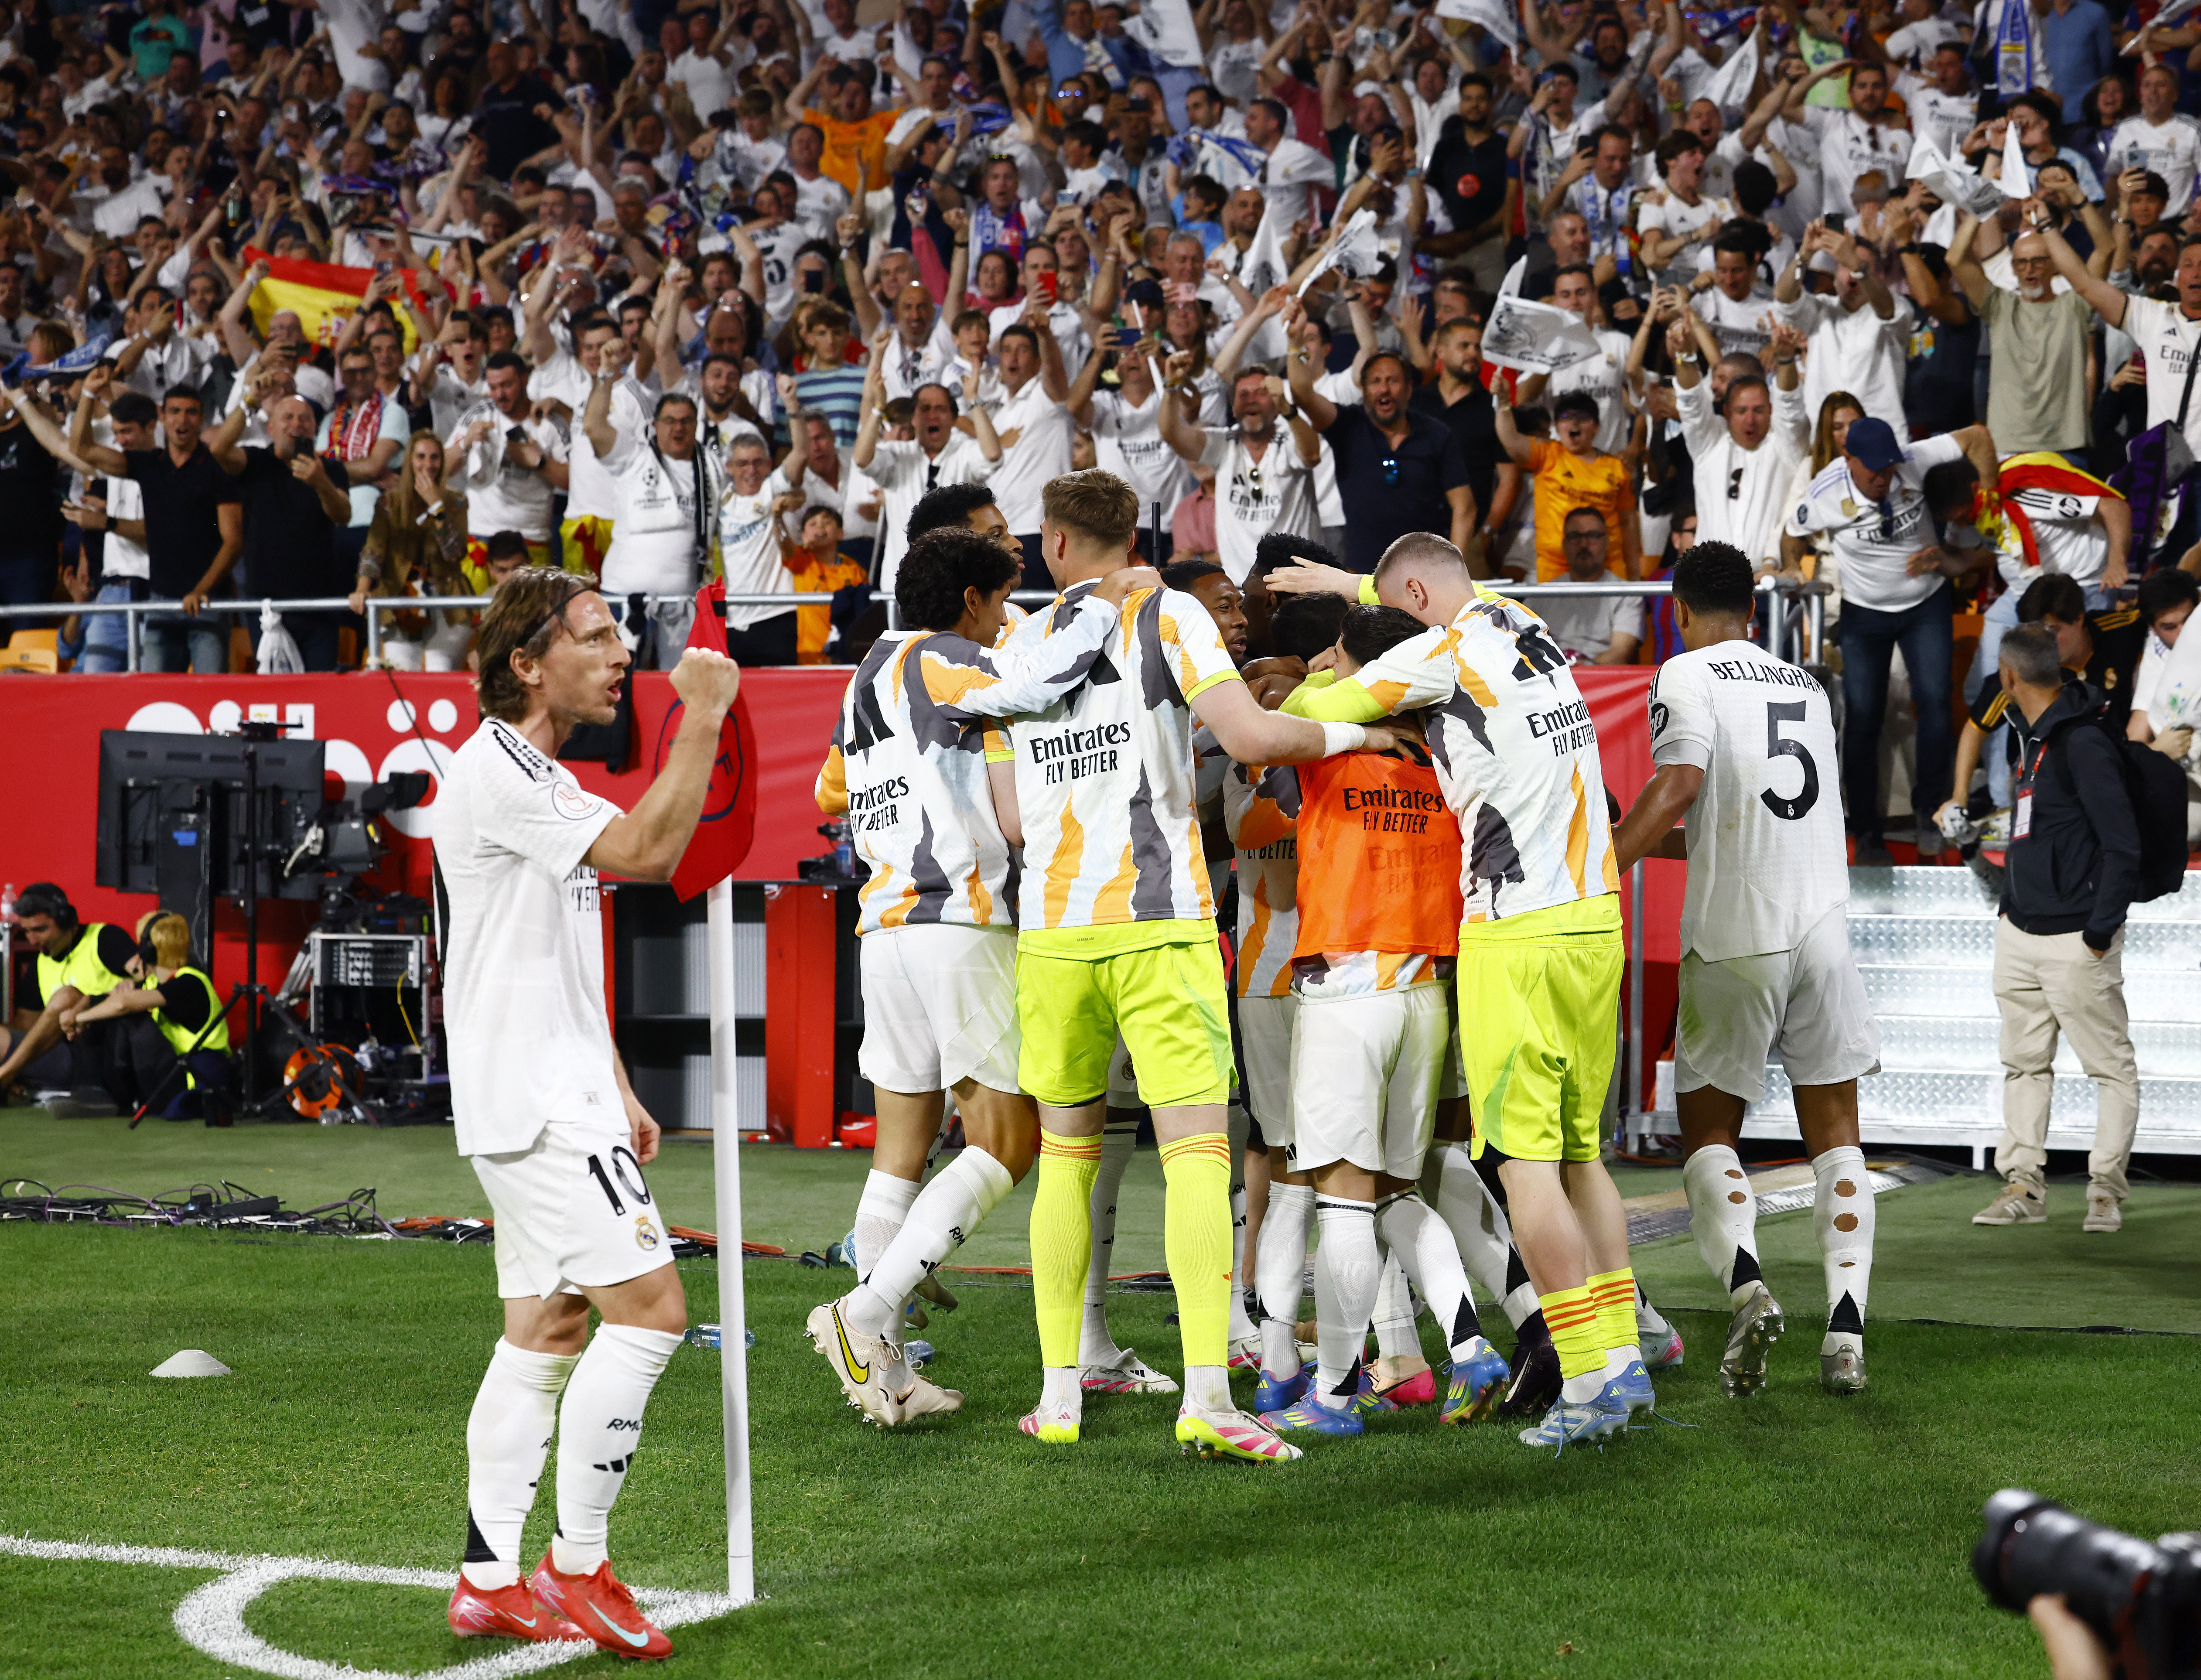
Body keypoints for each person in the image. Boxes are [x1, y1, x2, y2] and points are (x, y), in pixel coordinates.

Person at [996, 468, 1400, 1461]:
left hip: (1051, 929)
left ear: (1052, 545)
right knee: (1193, 1157)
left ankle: (1056, 1397)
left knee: (1065, 1155)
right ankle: (1209, 1398)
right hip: (1156, 922)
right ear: (1129, 537)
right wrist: (1363, 731)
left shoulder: (1016, 640)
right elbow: (1253, 737)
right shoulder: (1166, 613)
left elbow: (1008, 822)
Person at [431, 566, 742, 1660]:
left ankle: (485, 1578)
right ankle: (578, 1567)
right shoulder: (503, 773)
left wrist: (613, 1079)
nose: (621, 656)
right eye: (597, 638)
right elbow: (650, 853)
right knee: (651, 1312)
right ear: (527, 663)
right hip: (535, 1102)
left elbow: (555, 950)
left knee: (547, 1327)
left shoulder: (532, 773)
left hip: (553, 1092)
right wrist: (699, 715)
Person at [1284, 533, 1650, 1451]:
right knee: (1578, 1156)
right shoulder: (1522, 622)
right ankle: (1624, 1359)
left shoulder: (1436, 655)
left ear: (1414, 599)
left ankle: (1593, 1384)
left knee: (1523, 1166)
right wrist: (1350, 580)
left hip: (1516, 932)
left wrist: (1332, 686)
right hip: (1597, 917)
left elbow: (1310, 708)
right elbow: (1425, 582)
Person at [804, 525, 1156, 1426]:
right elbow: (1037, 684)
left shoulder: (866, 670)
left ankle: (884, 1380)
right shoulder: (940, 657)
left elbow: (835, 789)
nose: (1007, 622)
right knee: (1008, 1142)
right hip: (953, 918)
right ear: (970, 601)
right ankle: (865, 1311)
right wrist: (1104, 607)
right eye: (1003, 602)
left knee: (899, 1156)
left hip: (883, 927)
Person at [1612, 542, 1881, 1397]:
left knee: (1709, 1134)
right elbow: (1754, 809)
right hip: (1824, 929)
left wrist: (1601, 864)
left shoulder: (1686, 675)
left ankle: (1750, 1289)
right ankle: (1845, 1335)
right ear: (1754, 610)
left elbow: (1681, 784)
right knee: (1837, 1133)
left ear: (1679, 611)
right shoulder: (1805, 683)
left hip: (1737, 931)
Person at [1258, 604, 1508, 1437]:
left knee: (1343, 1203)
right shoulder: (1452, 750)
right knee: (1398, 1188)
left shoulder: (1327, 747)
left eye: (1337, 657)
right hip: (1425, 991)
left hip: (1347, 989)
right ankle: (1470, 1344)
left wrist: (1342, 703)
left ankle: (1330, 1395)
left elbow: (1272, 722)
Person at [1969, 623, 2142, 1236]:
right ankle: (2023, 1185)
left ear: (2010, 677)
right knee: (2022, 1065)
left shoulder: (2082, 741)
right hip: (2020, 929)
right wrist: (2011, 905)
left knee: (2108, 1069)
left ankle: (2104, 1191)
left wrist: (2098, 931)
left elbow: (2123, 845)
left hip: (2075, 937)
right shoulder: (2031, 735)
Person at [1783, 415, 2003, 864]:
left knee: (1936, 703)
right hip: (1865, 614)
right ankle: (1866, 831)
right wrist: (1791, 569)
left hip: (1927, 605)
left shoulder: (1916, 459)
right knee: (1864, 717)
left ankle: (1929, 813)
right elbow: (1792, 534)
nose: (1884, 478)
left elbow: (1978, 436)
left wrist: (1989, 503)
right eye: (1873, 470)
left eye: (1889, 468)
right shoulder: (1825, 493)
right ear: (1848, 459)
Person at [5, 370, 240, 673]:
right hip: (155, 601)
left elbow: (233, 541)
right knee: (150, 697)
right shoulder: (146, 465)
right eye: (176, 412)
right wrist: (87, 395)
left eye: (192, 413)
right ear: (163, 417)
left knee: (207, 698)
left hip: (197, 602)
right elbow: (78, 449)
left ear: (201, 418)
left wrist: (201, 590)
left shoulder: (215, 471)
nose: (183, 421)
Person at [584, 341, 724, 669]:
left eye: (687, 421)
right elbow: (593, 426)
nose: (679, 428)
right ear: (656, 425)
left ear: (696, 426)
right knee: (619, 690)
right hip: (625, 602)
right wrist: (605, 374)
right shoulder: (633, 456)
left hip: (681, 607)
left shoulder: (712, 468)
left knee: (674, 693)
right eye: (670, 421)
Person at [1286, 336, 1476, 571]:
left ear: (1409, 389)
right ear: (1363, 390)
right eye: (1376, 382)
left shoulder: (1436, 434)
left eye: (1393, 381)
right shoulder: (1347, 426)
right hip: (1362, 576)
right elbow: (1304, 395)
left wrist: (1453, 569)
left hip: (1427, 575)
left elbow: (1465, 507)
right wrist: (1295, 343)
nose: (1384, 389)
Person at [206, 376, 356, 671]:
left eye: (305, 419)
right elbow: (219, 450)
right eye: (287, 418)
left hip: (317, 606)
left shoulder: (330, 470)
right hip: (266, 606)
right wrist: (249, 401)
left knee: (318, 693)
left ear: (315, 429)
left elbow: (343, 515)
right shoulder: (256, 463)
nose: (297, 425)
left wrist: (320, 483)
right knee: (273, 698)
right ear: (271, 428)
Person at [57, 910, 231, 1122]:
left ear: (149, 949)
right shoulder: (153, 984)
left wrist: (79, 1019)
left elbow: (122, 1005)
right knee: (105, 1009)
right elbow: (100, 998)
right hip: (174, 1071)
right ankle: (94, 1092)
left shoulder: (190, 982)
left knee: (130, 1018)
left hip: (196, 1076)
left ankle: (110, 1097)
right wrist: (78, 1009)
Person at [0, 883, 139, 1106]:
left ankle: (4, 1078)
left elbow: (148, 977)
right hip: (59, 1060)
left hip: (105, 1055)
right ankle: (9, 1079)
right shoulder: (40, 964)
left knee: (66, 997)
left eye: (40, 929)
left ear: (66, 921)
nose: (32, 941)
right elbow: (26, 1029)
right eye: (26, 931)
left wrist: (116, 990)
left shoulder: (105, 938)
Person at [1496, 386, 1641, 582]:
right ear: (1556, 426)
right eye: (1565, 417)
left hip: (1608, 569)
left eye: (1583, 417)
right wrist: (1504, 403)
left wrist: (1634, 574)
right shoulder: (1546, 455)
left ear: (1597, 426)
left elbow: (1628, 523)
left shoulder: (1617, 468)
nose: (1574, 423)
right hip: (1555, 569)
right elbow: (1510, 440)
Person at [1538, 509, 1644, 664]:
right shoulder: (1540, 595)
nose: (1584, 544)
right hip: (1550, 678)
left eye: (1593, 536)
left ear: (1607, 542)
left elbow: (1621, 653)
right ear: (1564, 544)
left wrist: (1583, 669)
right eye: (1575, 537)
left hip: (1603, 681)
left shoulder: (1627, 594)